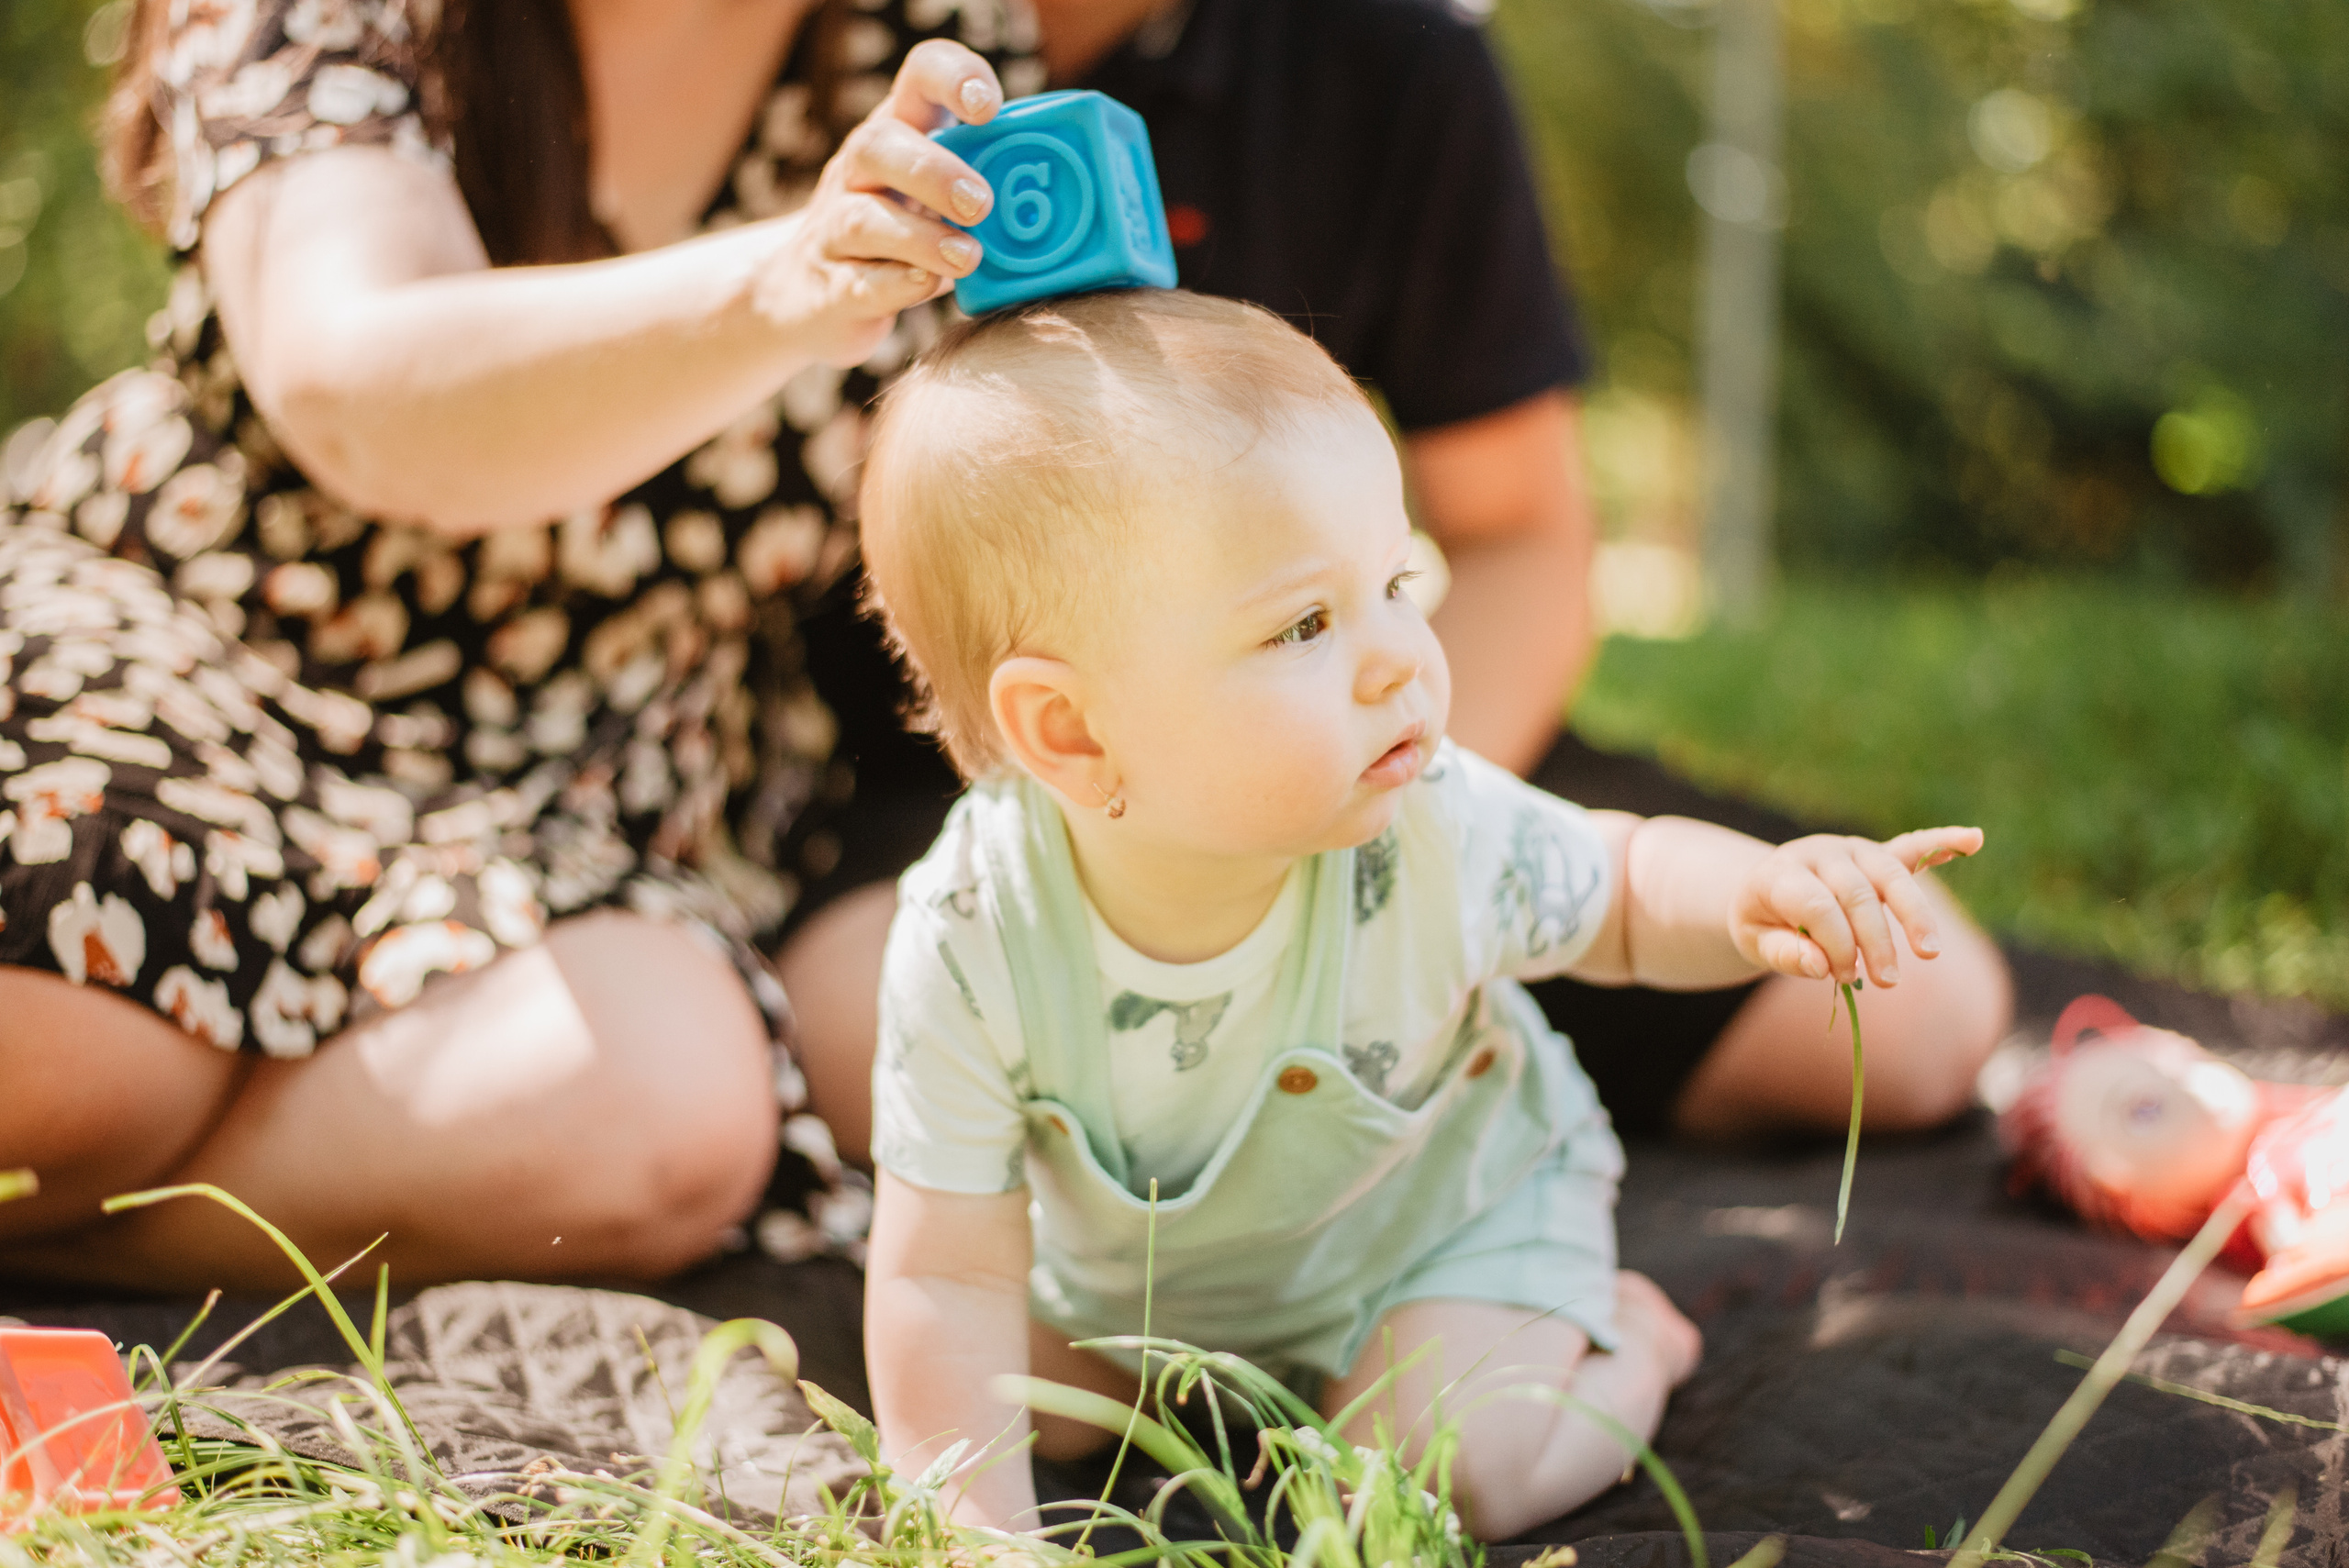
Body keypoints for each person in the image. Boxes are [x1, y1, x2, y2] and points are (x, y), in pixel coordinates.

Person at [779, 0, 2016, 1166]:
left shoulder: (1384, 57)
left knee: (1911, 1010)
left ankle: (1419, 1094)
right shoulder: (773, 46)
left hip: (1350, 752)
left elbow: (1520, 536)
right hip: (935, 785)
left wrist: (1376, 849)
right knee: (861, 1033)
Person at [855, 289, 1986, 1538]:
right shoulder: (972, 932)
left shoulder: (1427, 825)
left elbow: (1621, 885)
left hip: (1437, 1239)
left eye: (1397, 582)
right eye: (1305, 622)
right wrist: (980, 1539)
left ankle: (1631, 1352)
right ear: (1070, 730)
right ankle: (1229, 1394)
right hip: (1150, 1303)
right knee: (997, 1382)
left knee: (1436, 1467)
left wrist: (1753, 893)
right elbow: (941, 1265)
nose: (1402, 654)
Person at [0, 0, 1037, 1288]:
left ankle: (87, 1244)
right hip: (196, 646)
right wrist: (791, 280)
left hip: (599, 765)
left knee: (656, 1110)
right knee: (81, 1059)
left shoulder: (929, 36)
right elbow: (361, 387)